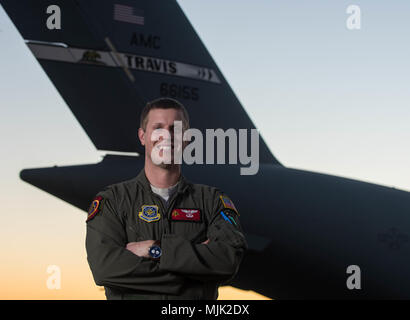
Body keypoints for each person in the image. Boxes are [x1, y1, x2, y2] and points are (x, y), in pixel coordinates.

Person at [85, 97, 247, 300]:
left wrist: (155, 249)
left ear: (187, 138)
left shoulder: (213, 201)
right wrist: (193, 280)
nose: (167, 136)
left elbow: (227, 260)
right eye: (158, 128)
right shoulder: (112, 200)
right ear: (143, 136)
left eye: (176, 129)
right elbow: (104, 269)